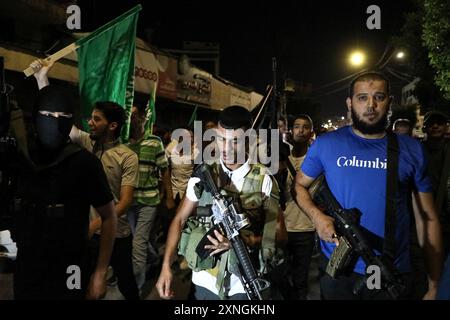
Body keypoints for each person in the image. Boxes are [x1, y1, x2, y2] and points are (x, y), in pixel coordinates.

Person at [294, 71, 443, 300]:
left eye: (379, 97)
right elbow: (299, 186)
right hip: (338, 271)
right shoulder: (326, 144)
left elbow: (427, 218)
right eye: (362, 97)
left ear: (390, 102)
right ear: (350, 103)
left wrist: (434, 284)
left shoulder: (411, 150)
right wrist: (317, 217)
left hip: (390, 270)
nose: (371, 105)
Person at [33, 60, 140, 300]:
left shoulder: (128, 157)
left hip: (117, 235)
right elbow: (55, 119)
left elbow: (124, 203)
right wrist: (42, 79)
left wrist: (97, 224)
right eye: (91, 118)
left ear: (112, 126)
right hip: (86, 237)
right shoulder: (84, 141)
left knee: (127, 285)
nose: (90, 122)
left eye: (97, 119)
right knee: (83, 287)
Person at [156, 106, 287, 300]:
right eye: (221, 139)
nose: (226, 148)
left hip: (241, 284)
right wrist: (166, 265)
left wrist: (244, 241)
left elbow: (280, 235)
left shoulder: (264, 180)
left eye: (235, 141)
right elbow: (179, 219)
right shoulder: (204, 175)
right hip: (204, 281)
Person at [12, 84, 117, 300]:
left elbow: (109, 216)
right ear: (35, 117)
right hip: (28, 262)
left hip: (72, 265)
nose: (56, 122)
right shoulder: (21, 159)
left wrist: (99, 273)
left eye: (63, 116)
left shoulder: (84, 163)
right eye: (48, 115)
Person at [127, 104, 173, 290]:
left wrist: (169, 197)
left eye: (135, 116)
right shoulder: (123, 143)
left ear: (141, 119)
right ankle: (154, 258)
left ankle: (135, 286)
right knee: (139, 240)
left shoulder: (155, 142)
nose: (132, 119)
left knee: (138, 243)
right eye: (128, 116)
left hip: (149, 202)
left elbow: (165, 171)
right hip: (128, 202)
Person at [283, 115, 316, 300]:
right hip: (282, 228)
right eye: (296, 126)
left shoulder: (314, 160)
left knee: (300, 280)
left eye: (305, 127)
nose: (300, 130)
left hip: (305, 229)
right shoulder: (281, 160)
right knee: (279, 275)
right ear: (291, 131)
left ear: (311, 132)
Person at [421, 110, 450, 257]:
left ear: (446, 127)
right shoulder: (416, 150)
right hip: (419, 217)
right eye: (431, 123)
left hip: (445, 218)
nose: (436, 126)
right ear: (424, 128)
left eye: (440, 123)